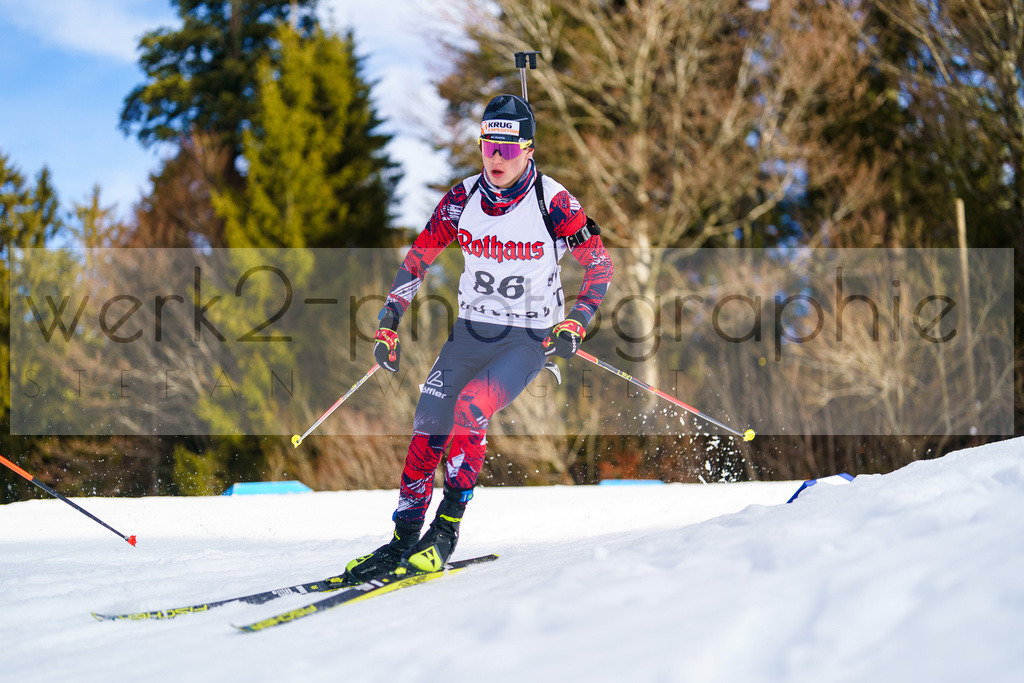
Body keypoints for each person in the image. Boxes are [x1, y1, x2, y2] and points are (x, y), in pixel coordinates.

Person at [344, 94, 614, 580]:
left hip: (527, 339)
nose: (496, 158)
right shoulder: (462, 199)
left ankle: (445, 530)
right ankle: (402, 539)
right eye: (489, 147)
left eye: (507, 150)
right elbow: (418, 260)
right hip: (470, 332)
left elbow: (600, 265)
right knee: (429, 418)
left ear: (528, 151)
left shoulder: (552, 202)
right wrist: (388, 322)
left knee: (471, 407)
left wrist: (577, 320)